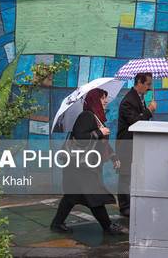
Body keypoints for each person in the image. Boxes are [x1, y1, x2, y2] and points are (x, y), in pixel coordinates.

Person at [50, 88, 128, 235]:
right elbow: (80, 137)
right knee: (94, 195)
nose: (106, 101)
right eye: (103, 98)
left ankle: (57, 224)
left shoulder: (96, 118)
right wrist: (99, 132)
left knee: (72, 196)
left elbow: (101, 144)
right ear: (94, 100)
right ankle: (108, 227)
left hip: (81, 166)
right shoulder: (86, 116)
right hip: (80, 167)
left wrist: (113, 157)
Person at [116, 72, 156, 217]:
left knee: (135, 174)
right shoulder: (128, 100)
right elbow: (135, 122)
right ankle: (124, 206)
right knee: (125, 175)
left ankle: (132, 202)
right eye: (148, 84)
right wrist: (149, 111)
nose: (149, 87)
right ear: (139, 82)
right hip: (126, 143)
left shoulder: (140, 98)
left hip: (136, 143)